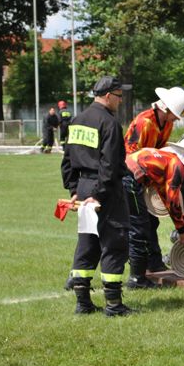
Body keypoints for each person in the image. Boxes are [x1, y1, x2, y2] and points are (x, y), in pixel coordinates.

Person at [60, 75, 133, 317]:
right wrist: (99, 195)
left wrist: (74, 190)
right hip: (105, 189)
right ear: (109, 95)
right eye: (119, 96)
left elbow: (67, 160)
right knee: (114, 242)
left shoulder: (78, 120)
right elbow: (110, 165)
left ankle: (83, 303)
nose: (121, 101)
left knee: (87, 243)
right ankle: (113, 304)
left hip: (82, 186)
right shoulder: (109, 123)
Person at [122, 86, 184, 289]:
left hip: (148, 177)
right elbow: (129, 154)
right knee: (139, 225)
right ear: (168, 109)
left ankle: (152, 263)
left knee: (150, 223)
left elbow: (160, 154)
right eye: (176, 114)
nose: (177, 119)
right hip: (133, 176)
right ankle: (138, 274)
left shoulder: (166, 124)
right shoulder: (144, 122)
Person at [125, 135, 184, 248]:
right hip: (127, 178)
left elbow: (165, 195)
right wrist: (182, 229)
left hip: (124, 174)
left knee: (136, 227)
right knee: (140, 230)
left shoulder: (167, 159)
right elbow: (173, 200)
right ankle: (138, 265)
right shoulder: (176, 165)